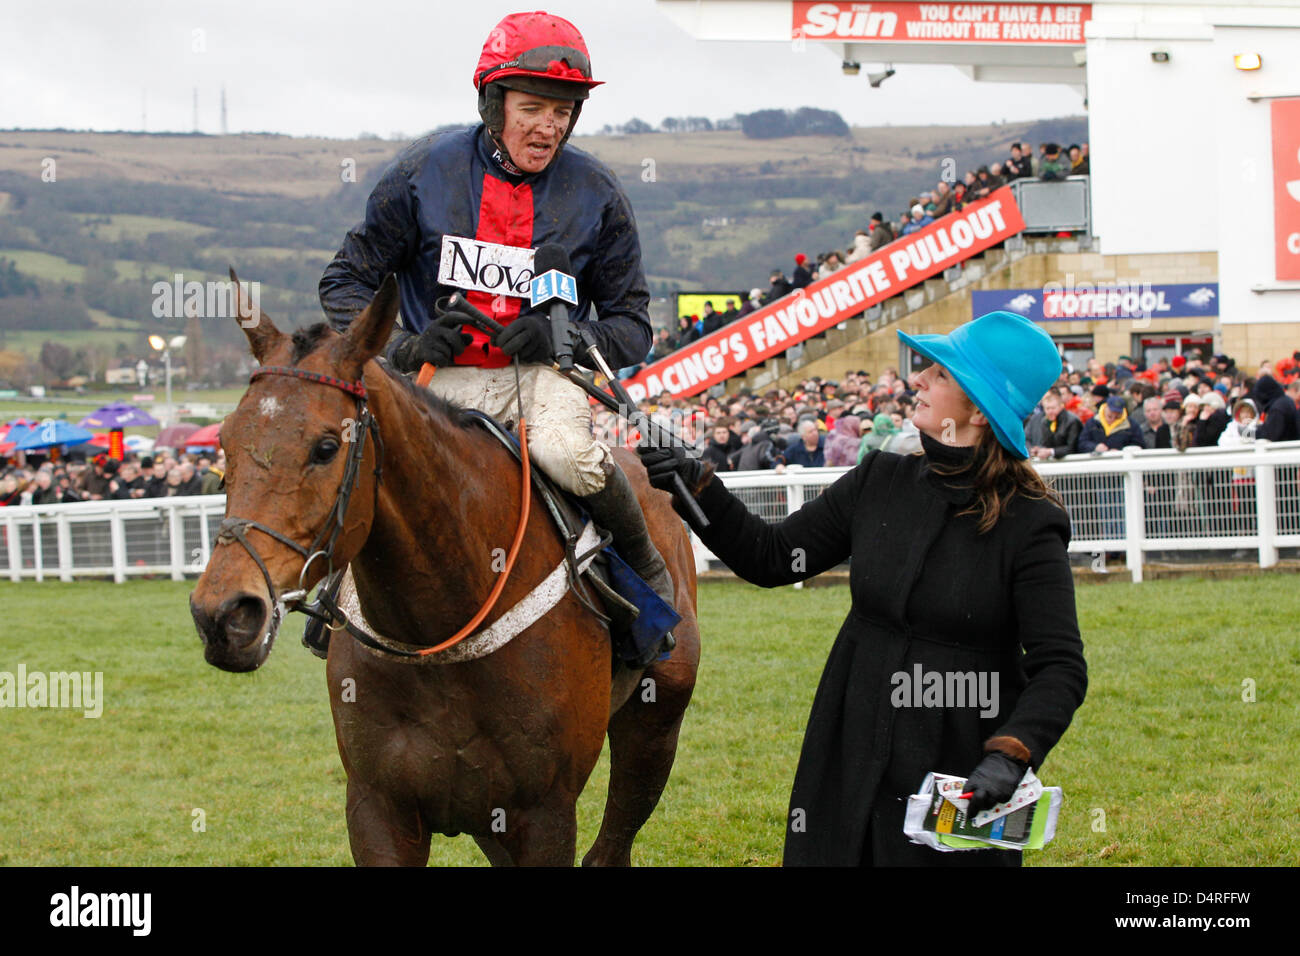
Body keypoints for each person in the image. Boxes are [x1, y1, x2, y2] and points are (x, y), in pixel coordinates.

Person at [637, 310, 1087, 865]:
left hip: (958, 769)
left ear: (977, 408)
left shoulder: (1030, 521)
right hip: (849, 747)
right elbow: (774, 556)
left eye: (940, 373)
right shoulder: (880, 479)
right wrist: (697, 483)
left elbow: (1061, 665)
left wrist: (1011, 754)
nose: (917, 379)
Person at [317, 10, 674, 644]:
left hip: (544, 379)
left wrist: (562, 339)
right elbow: (343, 284)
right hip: (436, 381)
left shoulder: (598, 191)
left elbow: (632, 326)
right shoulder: (420, 173)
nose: (549, 127)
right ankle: (335, 600)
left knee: (573, 457)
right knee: (377, 463)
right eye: (533, 107)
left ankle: (646, 573)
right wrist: (404, 347)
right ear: (493, 102)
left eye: (563, 111)